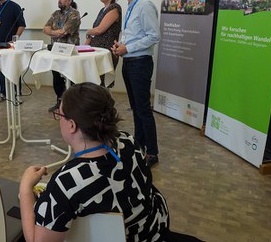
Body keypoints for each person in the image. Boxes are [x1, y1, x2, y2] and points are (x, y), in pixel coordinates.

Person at [19, 82, 169, 242]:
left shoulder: (66, 183)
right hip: (156, 231)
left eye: (59, 115)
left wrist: (26, 189)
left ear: (71, 125)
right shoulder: (128, 140)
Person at [112, 0, 161, 168]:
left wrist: (128, 48)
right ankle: (140, 145)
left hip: (140, 62)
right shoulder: (131, 6)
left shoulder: (145, 5)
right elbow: (133, 35)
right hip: (129, 61)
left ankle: (153, 152)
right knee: (136, 108)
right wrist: (120, 46)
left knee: (143, 109)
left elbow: (154, 36)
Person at [43, 0, 81, 112]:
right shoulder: (55, 14)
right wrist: (56, 33)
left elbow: (64, 31)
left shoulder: (74, 14)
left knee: (72, 78)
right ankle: (60, 102)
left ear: (70, 1)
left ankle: (72, 105)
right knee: (56, 78)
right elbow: (45, 28)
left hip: (69, 51)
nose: (59, 0)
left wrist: (54, 32)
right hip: (56, 50)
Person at [85, 0, 122, 87]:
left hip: (105, 52)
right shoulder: (102, 10)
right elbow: (94, 32)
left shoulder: (114, 8)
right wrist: (85, 45)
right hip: (96, 50)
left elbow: (99, 30)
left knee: (102, 85)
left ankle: (105, 104)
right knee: (94, 83)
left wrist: (88, 31)